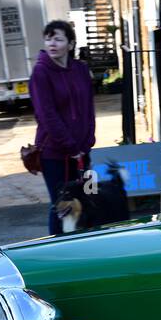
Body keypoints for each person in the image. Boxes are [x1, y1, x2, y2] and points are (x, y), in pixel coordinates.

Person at [30, 20, 96, 235]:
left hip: (83, 151)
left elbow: (88, 108)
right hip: (55, 154)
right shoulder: (41, 73)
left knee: (88, 196)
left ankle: (88, 244)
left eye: (58, 39)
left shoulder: (81, 69)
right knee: (61, 204)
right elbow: (46, 115)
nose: (52, 44)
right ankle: (57, 248)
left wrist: (87, 141)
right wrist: (70, 146)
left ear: (70, 43)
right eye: (48, 39)